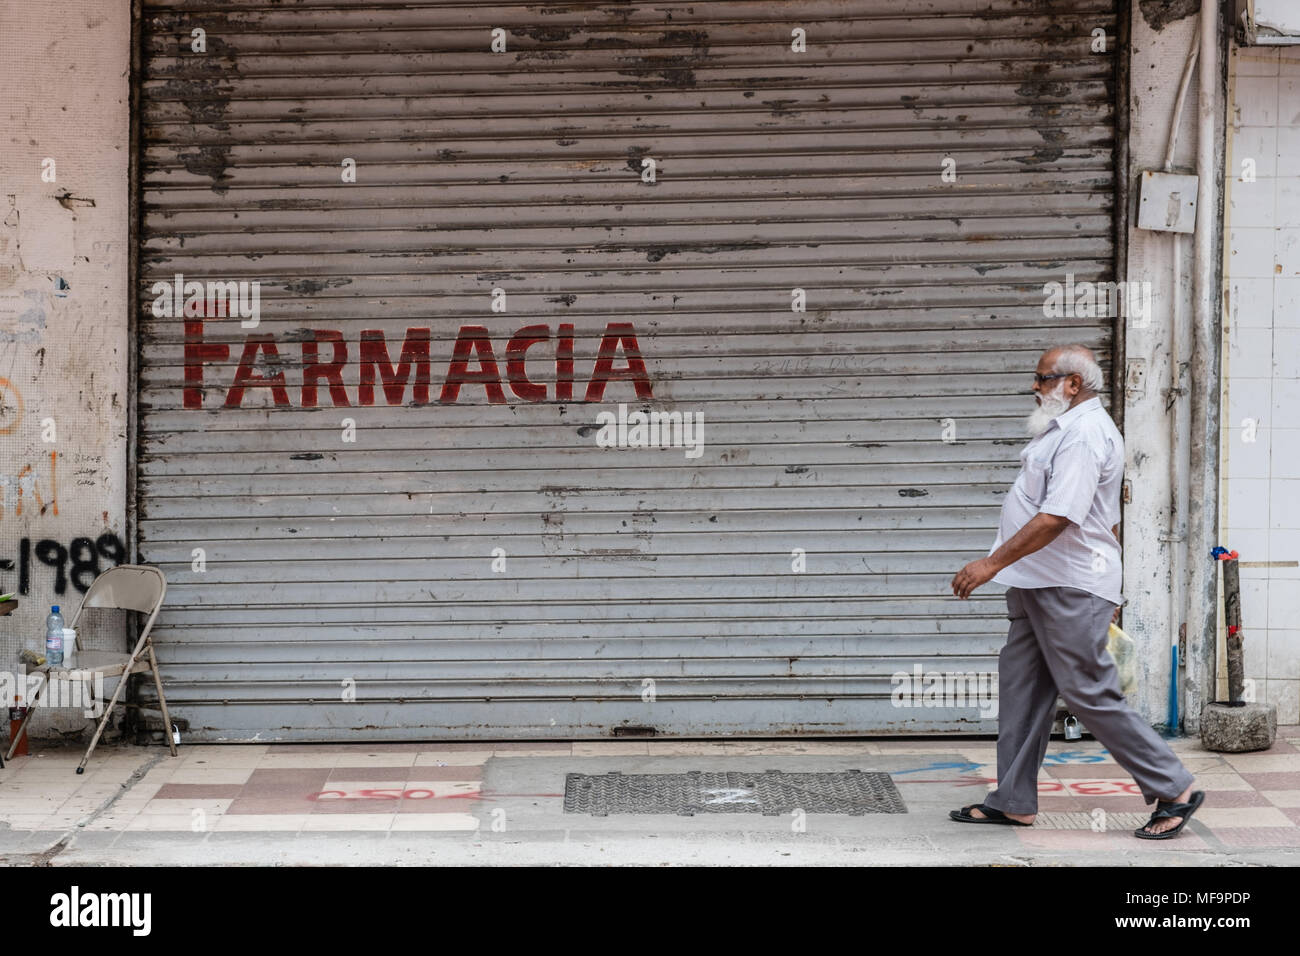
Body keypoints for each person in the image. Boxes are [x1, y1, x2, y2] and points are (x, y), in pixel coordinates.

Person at [947, 345, 1204, 839]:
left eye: (1042, 378)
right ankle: (1013, 799)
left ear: (1072, 384)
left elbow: (1059, 516)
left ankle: (1175, 788)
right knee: (1022, 690)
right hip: (1037, 583)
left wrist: (990, 564)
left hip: (1069, 586)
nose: (1034, 386)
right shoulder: (1060, 431)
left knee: (1089, 692)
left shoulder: (1084, 434)